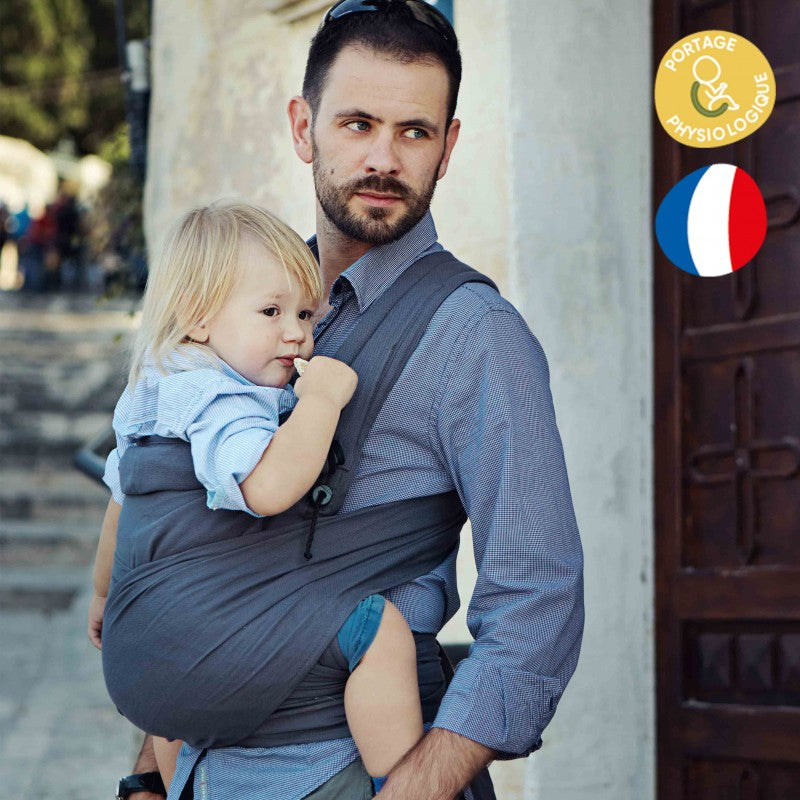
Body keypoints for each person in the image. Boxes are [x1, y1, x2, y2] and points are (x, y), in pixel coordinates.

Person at [100, 2, 584, 798]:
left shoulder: (477, 335)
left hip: (344, 769)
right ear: (303, 127)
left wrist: (416, 788)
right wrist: (149, 774)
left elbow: (537, 603)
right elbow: (188, 544)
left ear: (447, 147)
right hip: (200, 769)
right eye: (357, 124)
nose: (384, 159)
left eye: (415, 132)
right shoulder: (233, 302)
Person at [90, 202, 426, 795]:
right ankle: (397, 780)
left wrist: (103, 594)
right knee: (381, 631)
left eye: (304, 312)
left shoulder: (157, 385)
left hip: (141, 657)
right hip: (206, 644)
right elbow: (266, 488)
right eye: (270, 312)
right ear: (197, 318)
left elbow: (124, 498)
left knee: (179, 706)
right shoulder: (222, 398)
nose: (296, 332)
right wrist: (322, 401)